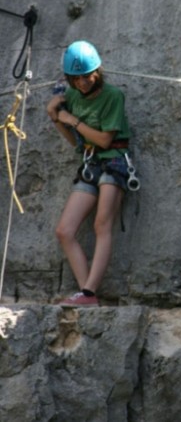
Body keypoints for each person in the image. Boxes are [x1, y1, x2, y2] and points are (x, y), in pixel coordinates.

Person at [46, 41, 132, 307]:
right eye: (76, 78)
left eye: (87, 76)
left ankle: (88, 292)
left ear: (98, 72)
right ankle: (87, 294)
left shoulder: (113, 96)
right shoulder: (71, 97)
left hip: (114, 162)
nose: (82, 82)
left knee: (101, 225)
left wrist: (71, 120)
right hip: (90, 162)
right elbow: (76, 142)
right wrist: (56, 118)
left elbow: (105, 140)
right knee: (64, 230)